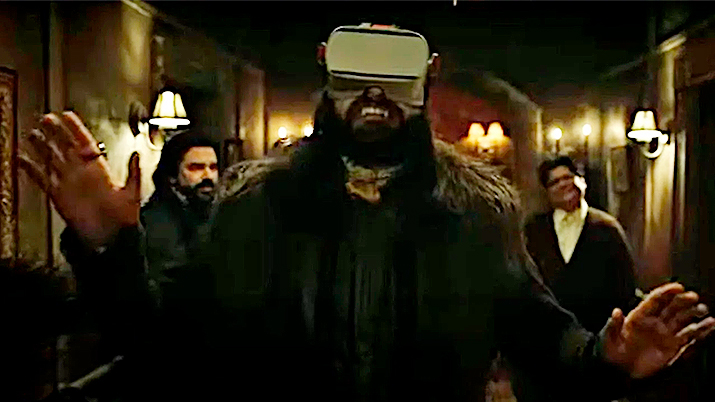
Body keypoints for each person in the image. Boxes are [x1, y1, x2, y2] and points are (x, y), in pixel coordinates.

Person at [19, 24, 715, 402]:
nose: (374, 95)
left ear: (426, 80)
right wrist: (109, 247)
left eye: (395, 78)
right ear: (327, 72)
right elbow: (167, 347)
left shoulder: (477, 213)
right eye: (356, 76)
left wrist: (607, 358)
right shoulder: (254, 206)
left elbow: (543, 338)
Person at [526, 156, 637, 334]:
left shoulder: (608, 228)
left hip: (598, 335)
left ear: (581, 181)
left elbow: (625, 288)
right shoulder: (534, 230)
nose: (563, 184)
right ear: (547, 192)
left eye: (568, 177)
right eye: (555, 182)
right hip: (549, 336)